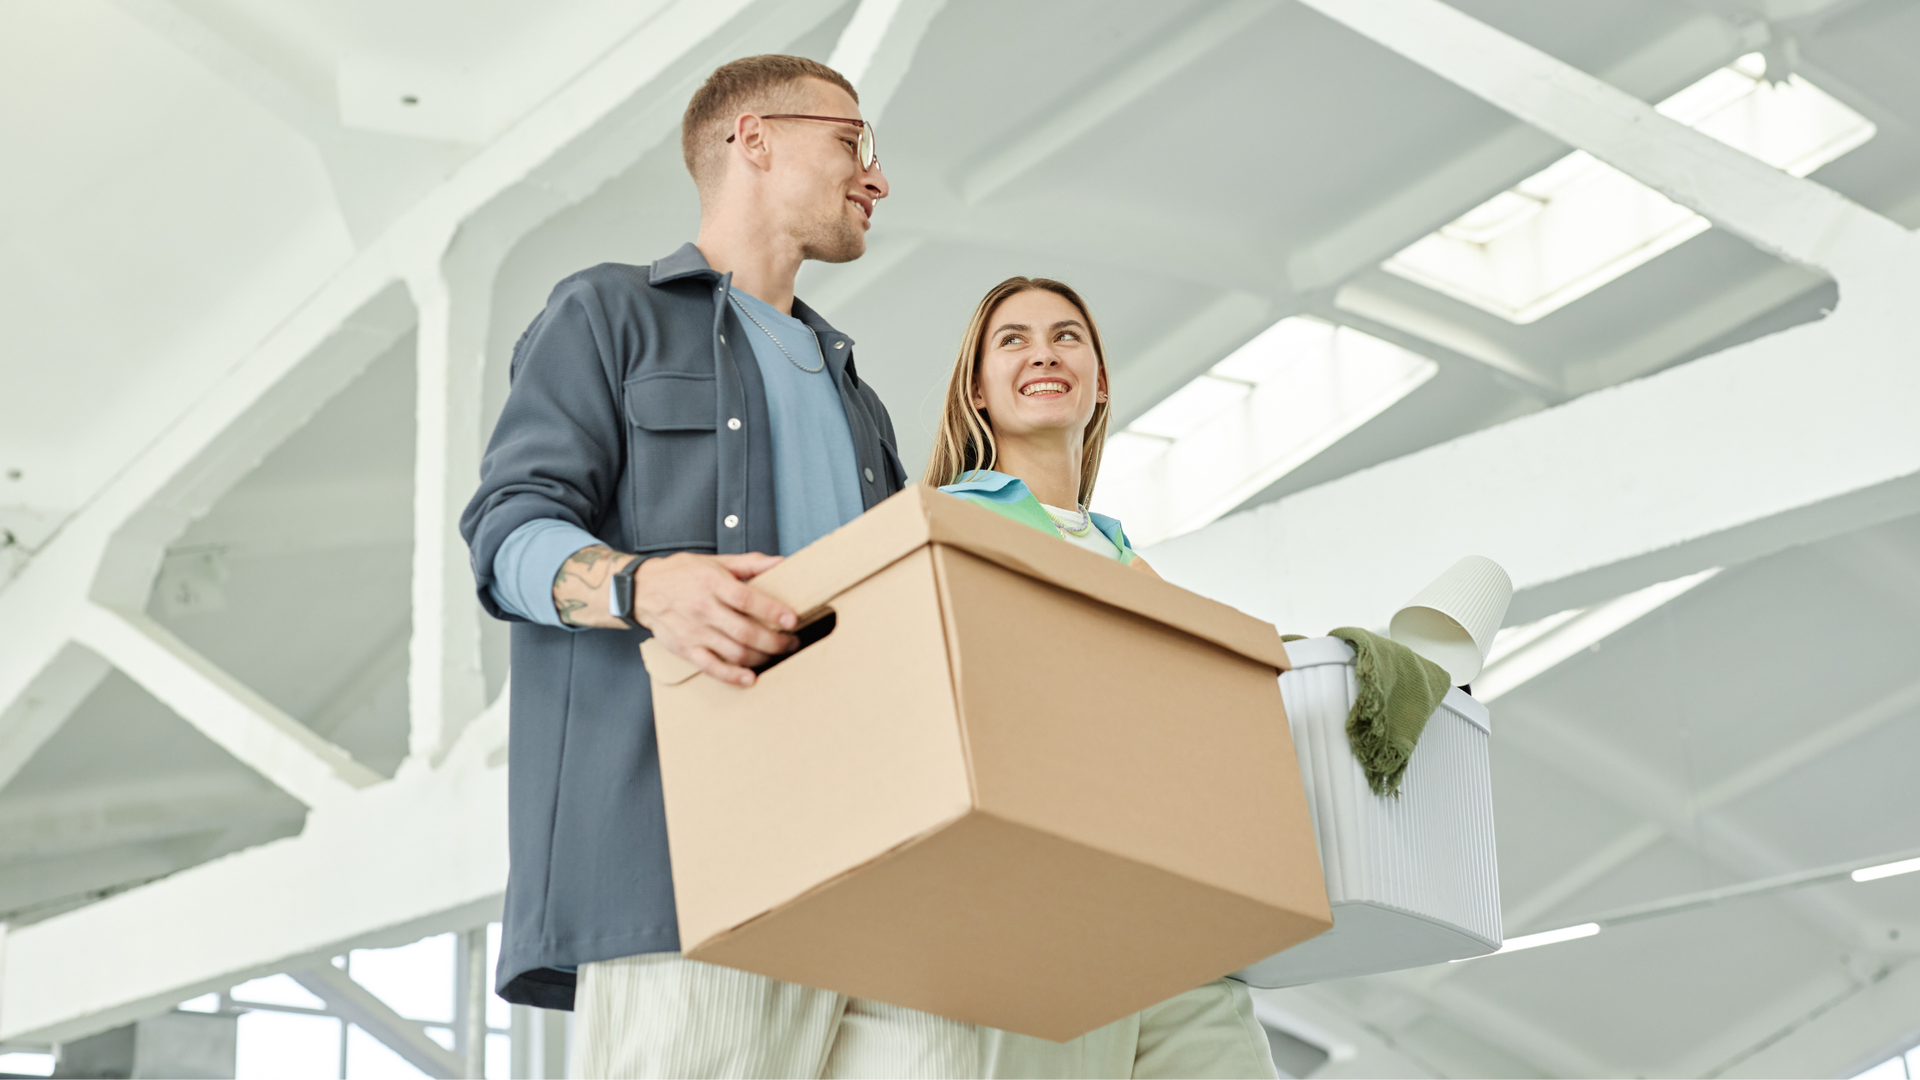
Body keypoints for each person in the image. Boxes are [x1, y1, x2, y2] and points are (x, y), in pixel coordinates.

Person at [459, 55, 977, 1077]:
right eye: (854, 143)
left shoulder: (860, 403)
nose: (876, 178)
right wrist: (645, 587)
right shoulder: (607, 315)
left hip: (871, 867)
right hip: (685, 866)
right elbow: (507, 535)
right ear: (755, 139)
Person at [923, 276, 1283, 1079]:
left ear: (1101, 381)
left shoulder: (1123, 555)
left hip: (1164, 898)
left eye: (1067, 337)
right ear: (977, 391)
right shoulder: (948, 518)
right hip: (1037, 899)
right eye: (1012, 340)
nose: (1044, 353)